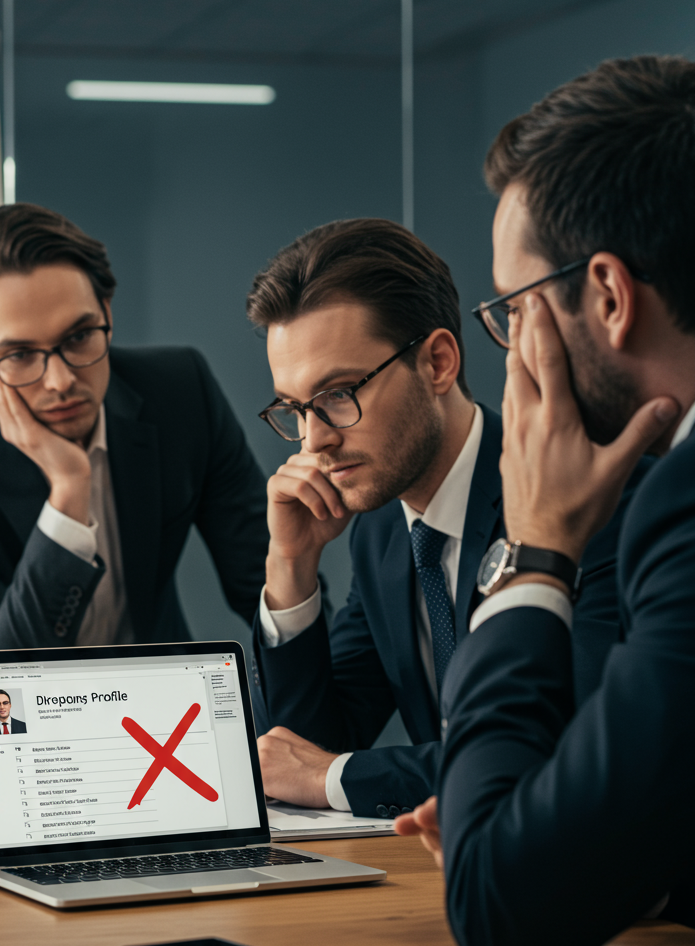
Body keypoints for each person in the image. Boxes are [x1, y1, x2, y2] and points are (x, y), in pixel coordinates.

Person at [381, 55, 695, 946]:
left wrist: (539, 544)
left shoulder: (680, 500)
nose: (514, 347)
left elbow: (503, 905)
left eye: (515, 309)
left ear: (605, 294)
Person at [246, 218, 643, 818]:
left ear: (436, 362)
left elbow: (562, 752)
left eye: (337, 395)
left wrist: (334, 776)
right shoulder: (381, 531)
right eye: (296, 409)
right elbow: (304, 752)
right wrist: (291, 567)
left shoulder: (580, 492)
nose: (312, 441)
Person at [0, 204, 268, 661]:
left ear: (105, 310)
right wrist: (69, 492)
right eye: (21, 355)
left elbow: (267, 587)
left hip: (163, 707)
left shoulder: (181, 392)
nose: (61, 380)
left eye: (78, 337)